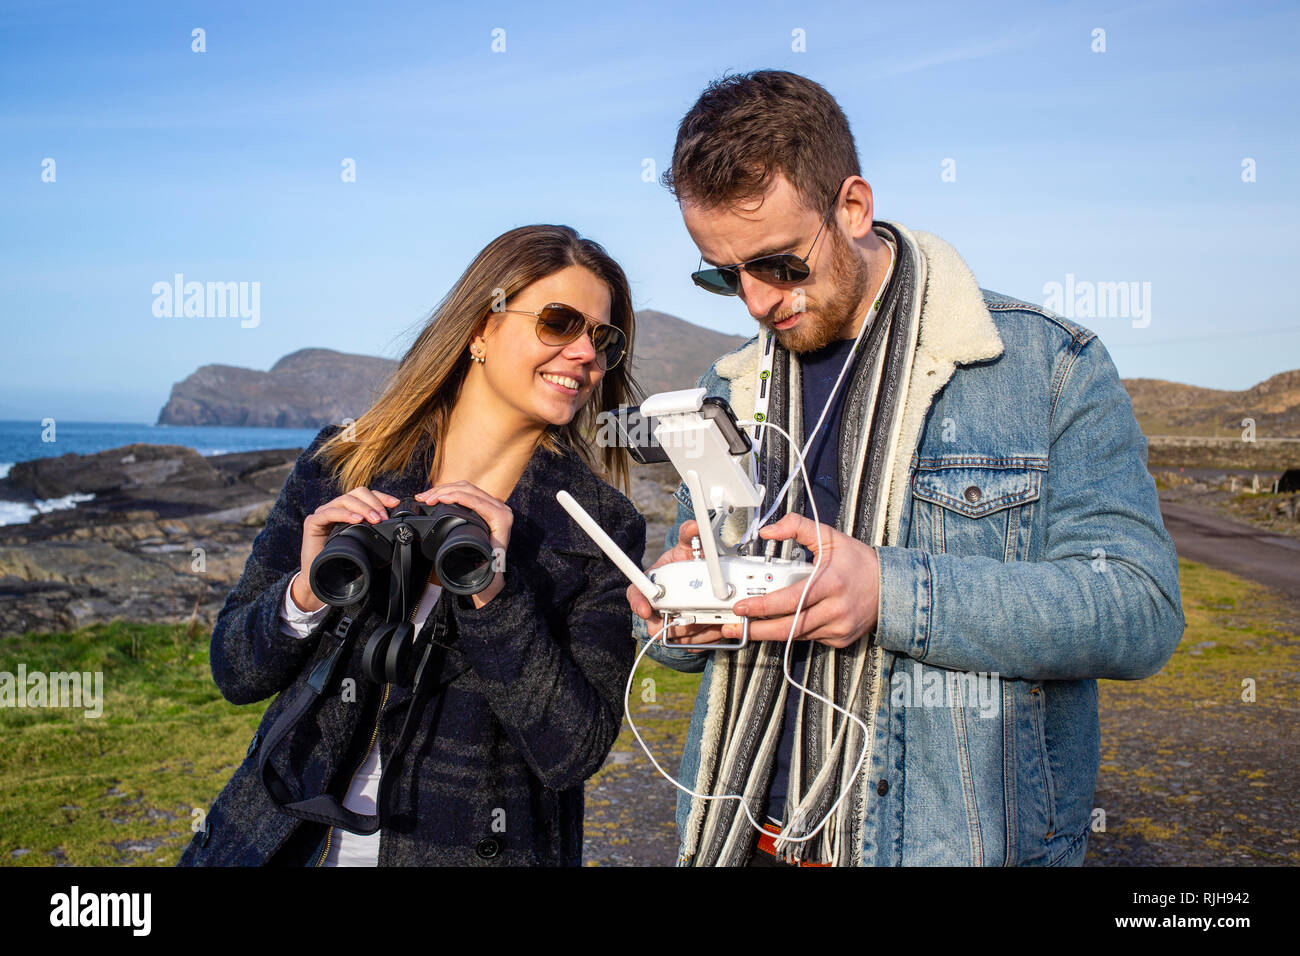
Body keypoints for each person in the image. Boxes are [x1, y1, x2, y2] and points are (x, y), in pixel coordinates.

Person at [628, 70, 1184, 867]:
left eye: (779, 265)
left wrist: (891, 592)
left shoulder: (1046, 366)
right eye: (723, 274)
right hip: (741, 840)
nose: (754, 302)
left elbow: (1141, 610)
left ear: (852, 207)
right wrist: (676, 607)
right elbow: (696, 649)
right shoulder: (733, 385)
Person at [179, 224, 646, 866]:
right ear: (481, 328)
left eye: (603, 338)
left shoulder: (597, 526)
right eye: (560, 322)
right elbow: (235, 671)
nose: (584, 353)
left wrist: (494, 596)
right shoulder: (342, 464)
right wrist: (306, 591)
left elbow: (573, 751)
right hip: (287, 839)